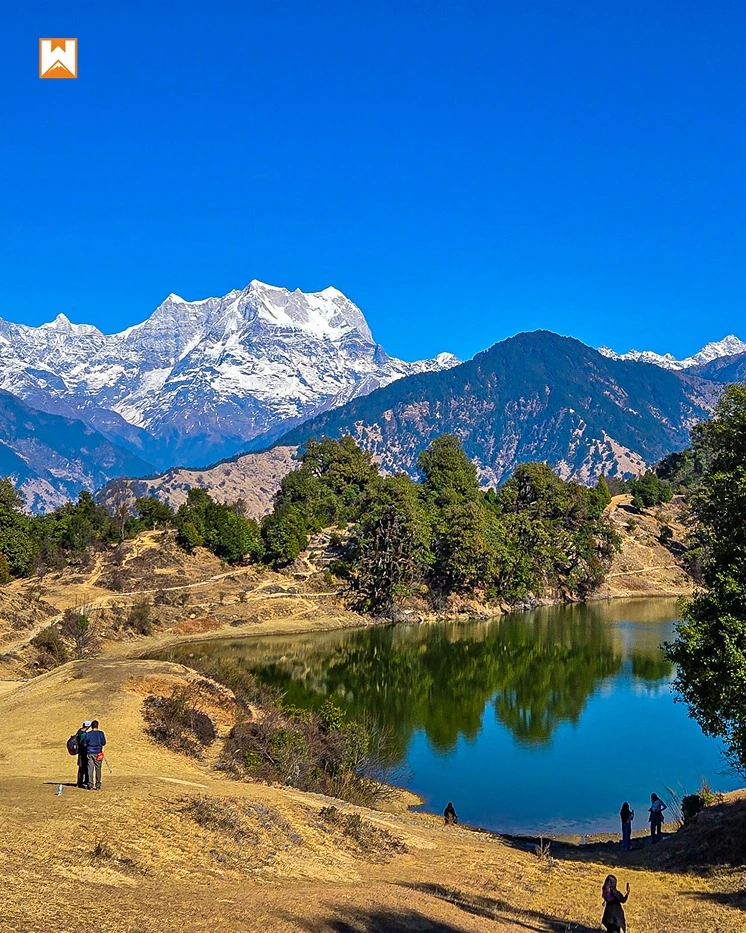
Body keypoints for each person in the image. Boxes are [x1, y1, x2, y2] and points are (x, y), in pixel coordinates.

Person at [83, 719, 107, 791]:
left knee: (90, 769)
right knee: (98, 769)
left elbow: (84, 743)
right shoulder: (101, 733)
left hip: (90, 753)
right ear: (97, 726)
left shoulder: (88, 734)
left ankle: (90, 785)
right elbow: (103, 742)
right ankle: (98, 785)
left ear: (91, 726)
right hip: (98, 753)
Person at [75, 721, 91, 788]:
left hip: (80, 752)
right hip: (83, 752)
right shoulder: (84, 734)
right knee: (84, 767)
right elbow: (84, 744)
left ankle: (80, 781)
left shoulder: (79, 731)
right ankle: (82, 782)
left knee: (81, 768)